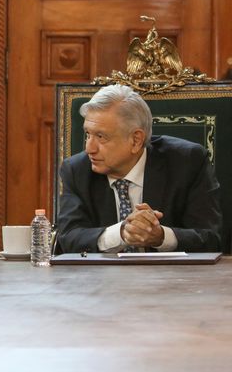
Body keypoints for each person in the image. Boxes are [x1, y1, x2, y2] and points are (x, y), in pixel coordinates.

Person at [57, 84, 223, 253]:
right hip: (100, 278)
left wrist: (161, 236)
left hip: (172, 277)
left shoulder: (187, 163)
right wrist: (121, 232)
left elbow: (210, 238)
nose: (89, 148)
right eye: (88, 134)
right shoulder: (76, 170)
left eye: (101, 136)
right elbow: (68, 238)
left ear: (136, 140)